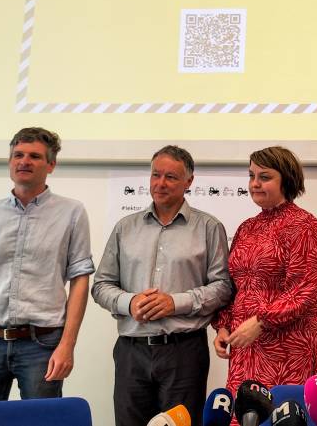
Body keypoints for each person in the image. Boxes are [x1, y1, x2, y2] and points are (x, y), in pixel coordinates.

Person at [0, 127, 95, 400]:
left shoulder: (72, 213)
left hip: (43, 344)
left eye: (35, 156)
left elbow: (80, 281)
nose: (24, 161)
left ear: (51, 165)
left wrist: (67, 344)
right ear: (9, 161)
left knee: (40, 419)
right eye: (18, 155)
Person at [93, 145, 232, 426]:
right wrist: (129, 302)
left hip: (184, 351)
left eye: (171, 177)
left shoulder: (209, 227)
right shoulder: (125, 228)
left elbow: (223, 287)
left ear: (189, 181)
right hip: (132, 350)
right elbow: (101, 285)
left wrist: (175, 302)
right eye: (156, 175)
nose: (160, 183)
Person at [212, 146, 317, 396]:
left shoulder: (304, 225)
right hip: (245, 344)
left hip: (288, 346)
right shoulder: (247, 227)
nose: (255, 183)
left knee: (282, 412)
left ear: (287, 180)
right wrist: (224, 326)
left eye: (264, 177)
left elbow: (306, 289)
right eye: (251, 176)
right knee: (245, 411)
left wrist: (261, 321)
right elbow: (236, 286)